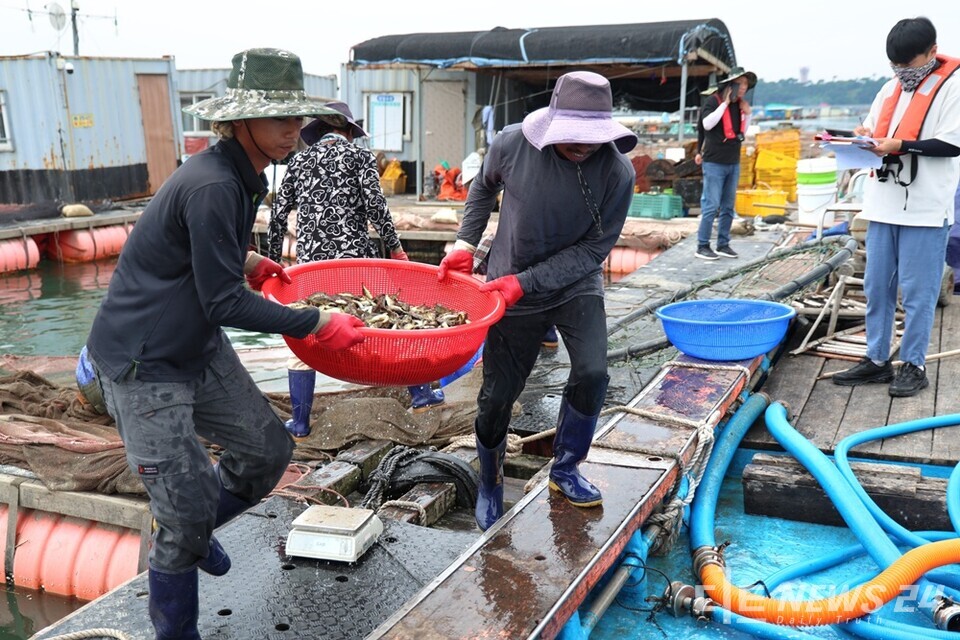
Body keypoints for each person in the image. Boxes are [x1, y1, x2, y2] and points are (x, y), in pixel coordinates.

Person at [83, 48, 365, 639]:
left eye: (297, 117)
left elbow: (205, 256)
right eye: (279, 118)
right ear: (238, 122)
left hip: (196, 344)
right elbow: (223, 303)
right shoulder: (212, 182)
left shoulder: (246, 173)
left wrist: (251, 260)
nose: (294, 130)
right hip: (143, 360)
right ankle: (179, 605)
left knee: (266, 453)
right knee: (181, 520)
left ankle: (193, 529)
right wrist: (314, 322)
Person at [437, 71, 637, 530]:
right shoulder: (510, 144)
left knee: (591, 371)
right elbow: (483, 186)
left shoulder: (617, 173)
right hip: (509, 281)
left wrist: (524, 283)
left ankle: (566, 468)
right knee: (496, 398)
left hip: (574, 284)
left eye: (591, 137)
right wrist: (465, 245)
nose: (582, 145)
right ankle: (490, 478)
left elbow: (593, 251)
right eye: (572, 135)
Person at [267, 101, 444, 437]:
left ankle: (301, 423)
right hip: (356, 265)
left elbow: (277, 216)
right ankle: (422, 396)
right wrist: (395, 248)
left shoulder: (300, 160)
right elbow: (377, 208)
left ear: (318, 131)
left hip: (312, 269)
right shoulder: (359, 157)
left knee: (306, 334)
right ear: (349, 131)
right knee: (390, 323)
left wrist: (274, 261)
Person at [832, 17, 960, 397]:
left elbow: (952, 143)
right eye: (897, 65)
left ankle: (914, 364)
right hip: (882, 205)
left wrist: (899, 146)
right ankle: (876, 360)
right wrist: (858, 138)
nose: (903, 71)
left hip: (926, 208)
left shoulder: (953, 87)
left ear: (932, 53)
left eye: (909, 63)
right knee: (877, 287)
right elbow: (872, 131)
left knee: (918, 292)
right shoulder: (889, 88)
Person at [694, 66, 756, 261]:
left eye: (746, 84)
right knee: (711, 205)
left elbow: (742, 133)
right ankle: (703, 245)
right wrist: (725, 104)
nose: (743, 88)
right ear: (730, 85)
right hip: (714, 161)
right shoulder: (714, 101)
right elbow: (707, 125)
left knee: (728, 206)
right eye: (740, 83)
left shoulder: (740, 106)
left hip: (733, 161)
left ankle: (723, 244)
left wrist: (749, 114)